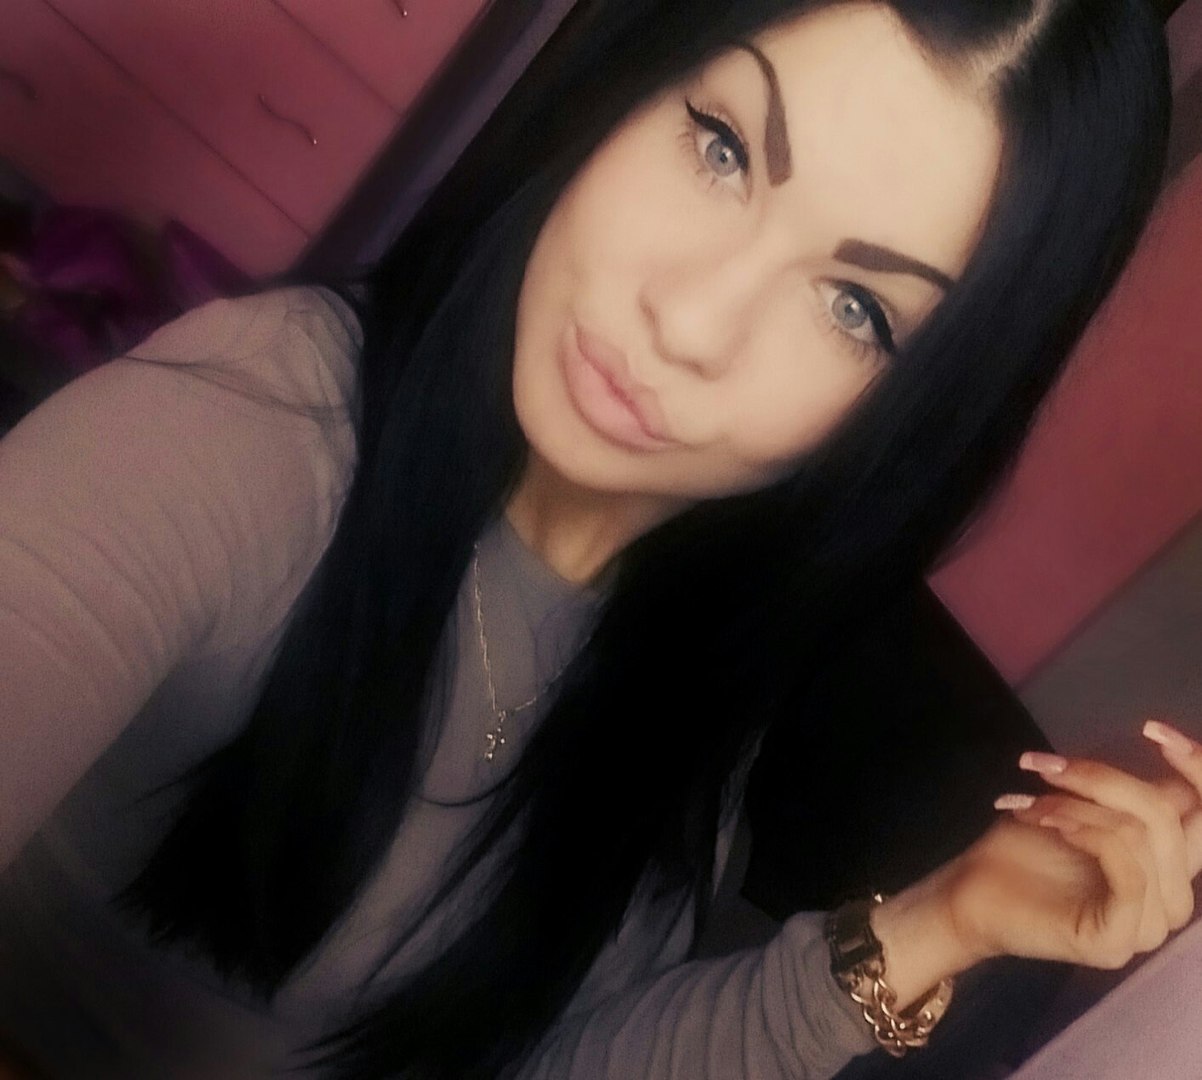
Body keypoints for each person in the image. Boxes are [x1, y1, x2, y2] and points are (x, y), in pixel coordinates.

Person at [0, 0, 1192, 1077]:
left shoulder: (690, 641)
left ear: (911, 418)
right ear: (626, 80)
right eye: (720, 148)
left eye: (853, 309)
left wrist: (942, 923)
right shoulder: (255, 430)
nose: (689, 321)